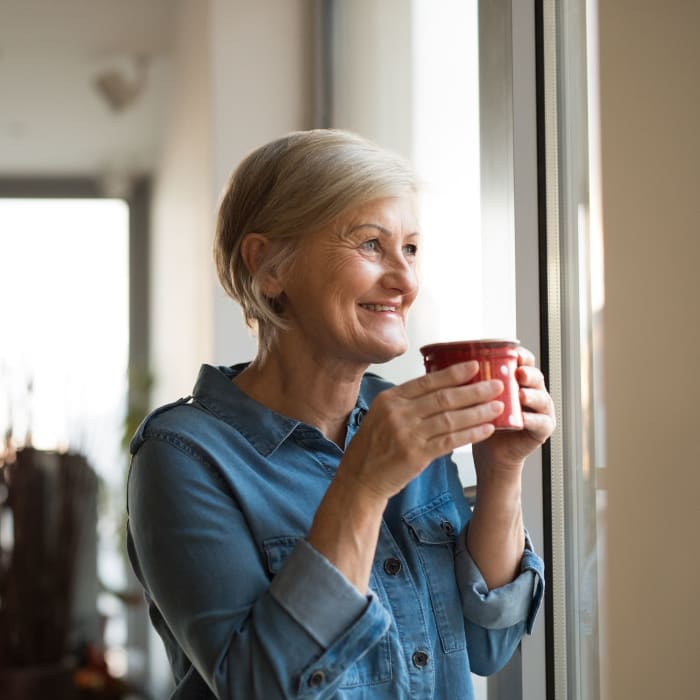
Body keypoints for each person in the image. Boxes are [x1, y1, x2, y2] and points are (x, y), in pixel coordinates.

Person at [126, 129, 555, 699]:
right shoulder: (183, 456)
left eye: (411, 249)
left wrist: (501, 469)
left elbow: (488, 644)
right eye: (371, 245)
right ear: (269, 266)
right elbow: (260, 688)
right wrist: (363, 482)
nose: (404, 281)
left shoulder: (402, 420)